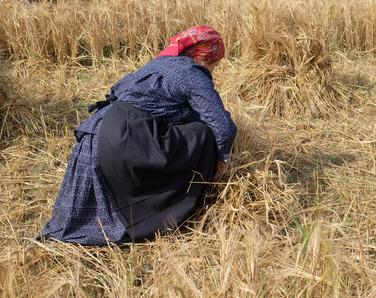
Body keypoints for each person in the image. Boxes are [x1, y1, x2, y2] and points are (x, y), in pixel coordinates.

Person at [37, 26, 237, 246]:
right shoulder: (193, 73)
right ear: (204, 59)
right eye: (214, 65)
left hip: (97, 131)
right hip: (124, 139)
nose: (213, 71)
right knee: (205, 133)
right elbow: (223, 126)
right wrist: (220, 164)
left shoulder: (161, 62)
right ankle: (179, 204)